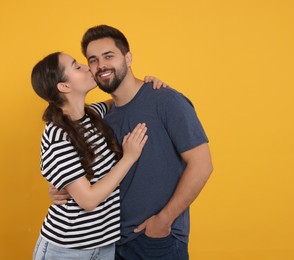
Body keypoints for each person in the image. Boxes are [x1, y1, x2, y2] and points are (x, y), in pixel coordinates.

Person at [51, 24, 213, 259]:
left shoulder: (166, 100)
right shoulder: (101, 117)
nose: (101, 65)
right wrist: (62, 186)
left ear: (128, 58)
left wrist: (163, 221)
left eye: (109, 56)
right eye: (93, 60)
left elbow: (202, 165)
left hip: (156, 239)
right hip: (110, 242)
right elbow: (85, 170)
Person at [31, 52, 166, 259]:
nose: (88, 67)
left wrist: (145, 85)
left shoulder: (93, 114)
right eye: (76, 67)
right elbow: (89, 200)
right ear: (64, 86)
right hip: (68, 250)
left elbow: (122, 100)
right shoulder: (58, 136)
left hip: (104, 244)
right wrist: (128, 158)